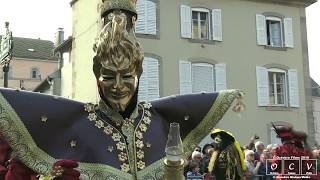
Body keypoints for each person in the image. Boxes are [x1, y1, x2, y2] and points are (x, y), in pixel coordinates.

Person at [0, 0, 244, 179]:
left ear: (138, 74)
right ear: (97, 76)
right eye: (108, 76)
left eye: (126, 76)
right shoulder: (78, 123)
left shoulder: (158, 123)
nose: (117, 86)